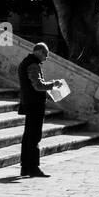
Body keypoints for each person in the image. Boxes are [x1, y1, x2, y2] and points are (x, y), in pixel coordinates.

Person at [17, 42, 59, 178]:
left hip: (29, 102)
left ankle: (25, 167)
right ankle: (33, 167)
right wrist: (53, 85)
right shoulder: (33, 65)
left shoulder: (26, 62)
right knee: (34, 136)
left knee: (28, 135)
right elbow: (38, 85)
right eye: (45, 54)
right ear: (39, 51)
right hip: (34, 104)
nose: (46, 58)